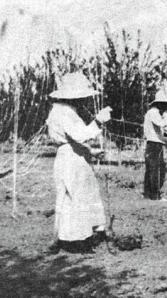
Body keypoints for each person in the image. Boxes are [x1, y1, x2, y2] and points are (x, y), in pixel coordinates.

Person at [45, 72, 113, 253]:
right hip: (72, 159)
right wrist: (98, 121)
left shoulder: (61, 110)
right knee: (79, 196)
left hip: (70, 155)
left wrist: (90, 150)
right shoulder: (64, 112)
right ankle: (80, 241)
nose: (84, 101)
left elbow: (73, 138)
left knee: (69, 197)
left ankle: (65, 237)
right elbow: (80, 135)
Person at [143, 91, 167, 200]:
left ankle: (149, 195)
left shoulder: (155, 113)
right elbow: (161, 124)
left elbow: (159, 132)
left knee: (151, 170)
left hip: (155, 144)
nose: (166, 107)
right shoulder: (153, 112)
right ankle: (155, 195)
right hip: (153, 145)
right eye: (164, 104)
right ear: (159, 103)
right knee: (157, 170)